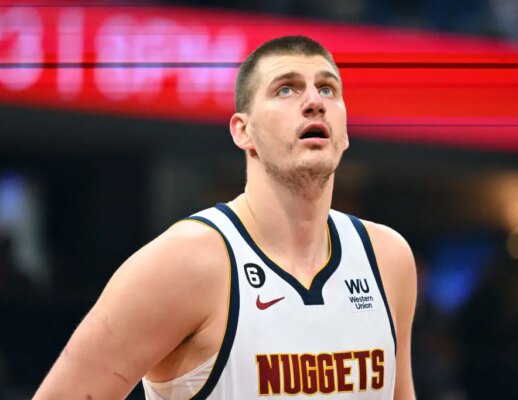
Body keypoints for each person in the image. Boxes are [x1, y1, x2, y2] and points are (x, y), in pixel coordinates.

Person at [33, 35, 417, 399]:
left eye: (328, 89)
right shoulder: (182, 263)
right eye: (286, 88)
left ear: (344, 132)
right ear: (243, 131)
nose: (314, 101)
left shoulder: (387, 258)